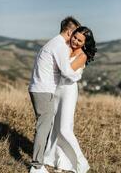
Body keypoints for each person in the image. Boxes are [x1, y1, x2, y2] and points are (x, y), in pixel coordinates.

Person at [28, 17, 87, 173]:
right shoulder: (59, 46)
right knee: (44, 127)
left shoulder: (53, 43)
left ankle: (42, 159)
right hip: (44, 90)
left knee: (46, 126)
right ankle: (37, 166)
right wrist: (78, 76)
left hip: (39, 88)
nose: (76, 37)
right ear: (69, 31)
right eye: (75, 33)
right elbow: (67, 71)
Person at [43, 26, 97, 173]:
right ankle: (57, 159)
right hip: (57, 89)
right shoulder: (65, 46)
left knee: (65, 128)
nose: (75, 41)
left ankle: (81, 163)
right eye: (74, 37)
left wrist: (61, 57)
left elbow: (65, 71)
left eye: (80, 40)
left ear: (85, 43)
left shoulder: (83, 55)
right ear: (71, 34)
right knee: (55, 127)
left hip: (68, 92)